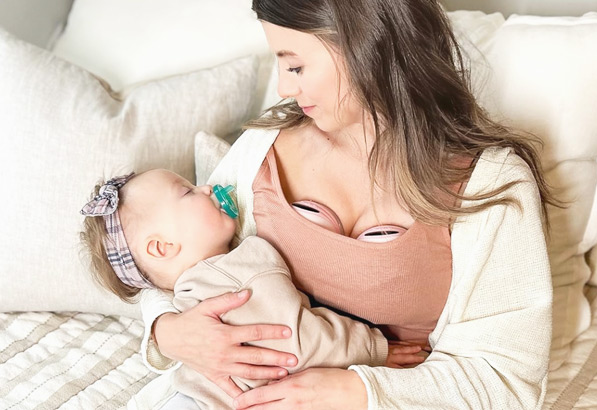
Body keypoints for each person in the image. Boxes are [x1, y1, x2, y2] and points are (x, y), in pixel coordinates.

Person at [137, 0, 555, 408]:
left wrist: (357, 392)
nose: (284, 88)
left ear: (367, 48)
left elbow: (507, 380)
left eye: (296, 65)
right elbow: (170, 253)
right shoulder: (262, 150)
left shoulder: (493, 182)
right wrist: (168, 331)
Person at [79, 169, 425, 410]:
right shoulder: (240, 272)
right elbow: (299, 342)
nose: (207, 188)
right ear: (163, 248)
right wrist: (373, 347)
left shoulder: (188, 293)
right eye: (188, 191)